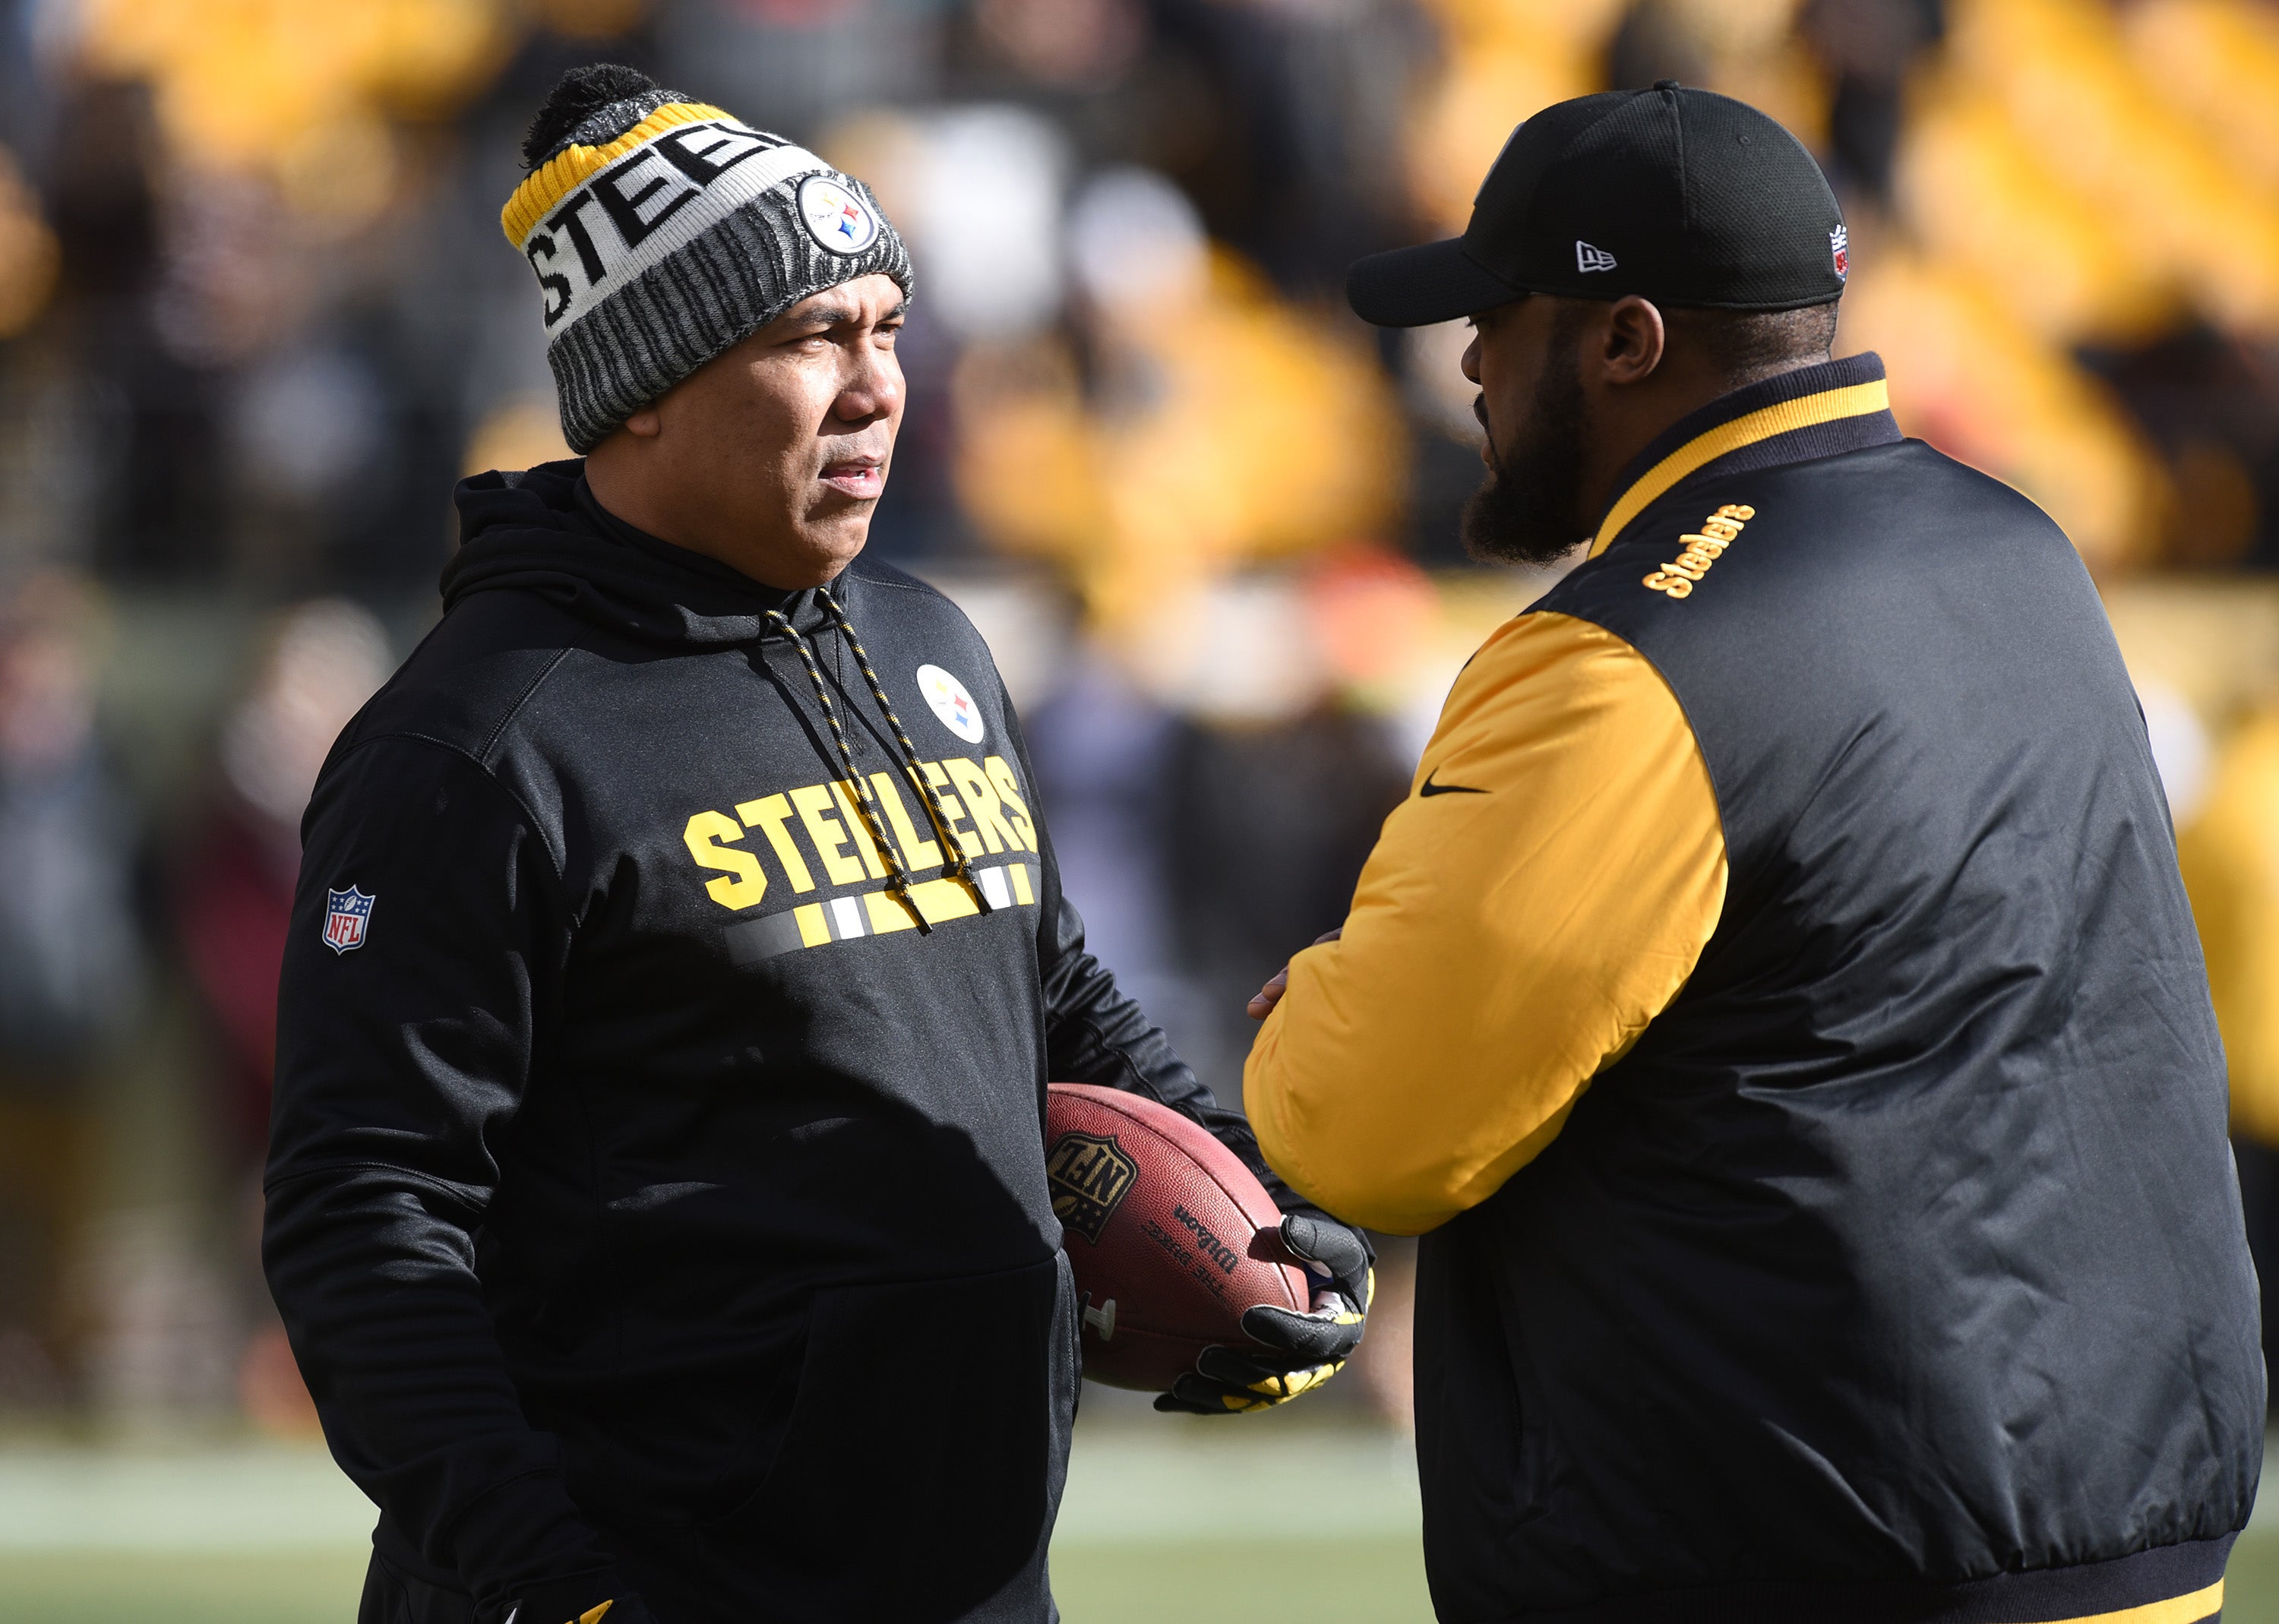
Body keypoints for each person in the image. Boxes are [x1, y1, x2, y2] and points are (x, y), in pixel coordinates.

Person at [262, 65, 1370, 1624]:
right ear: (645, 382)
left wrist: (1253, 1216)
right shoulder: (480, 741)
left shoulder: (929, 643)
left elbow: (1050, 998)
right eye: (810, 339)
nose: (876, 389)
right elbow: (364, 1220)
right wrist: (542, 1579)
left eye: (887, 333)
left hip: (966, 1567)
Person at [1243, 82, 2261, 1624]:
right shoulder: (2018, 547)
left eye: (1500, 316)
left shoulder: (1627, 656)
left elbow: (1369, 1127)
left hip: (1811, 1544)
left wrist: (1324, 997)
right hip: (2129, 1533)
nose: (1465, 363)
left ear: (1626, 339)